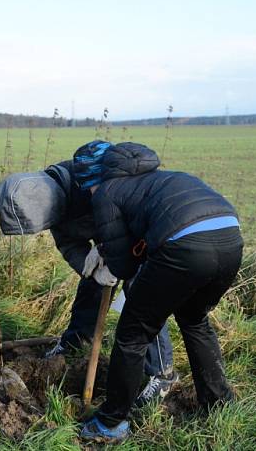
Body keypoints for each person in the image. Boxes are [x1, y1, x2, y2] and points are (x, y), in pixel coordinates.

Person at [74, 141, 243, 445]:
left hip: (186, 246)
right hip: (230, 238)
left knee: (133, 334)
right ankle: (218, 402)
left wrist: (109, 259)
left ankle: (111, 422)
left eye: (87, 187)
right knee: (194, 319)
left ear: (95, 180)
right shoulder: (165, 178)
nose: (89, 194)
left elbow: (125, 267)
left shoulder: (107, 192)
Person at [41, 159, 178, 406]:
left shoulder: (102, 179)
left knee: (143, 297)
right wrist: (91, 264)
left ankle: (161, 373)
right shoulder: (50, 199)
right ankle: (77, 340)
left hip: (142, 241)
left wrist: (116, 254)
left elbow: (128, 220)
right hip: (109, 242)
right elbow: (69, 242)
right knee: (91, 284)